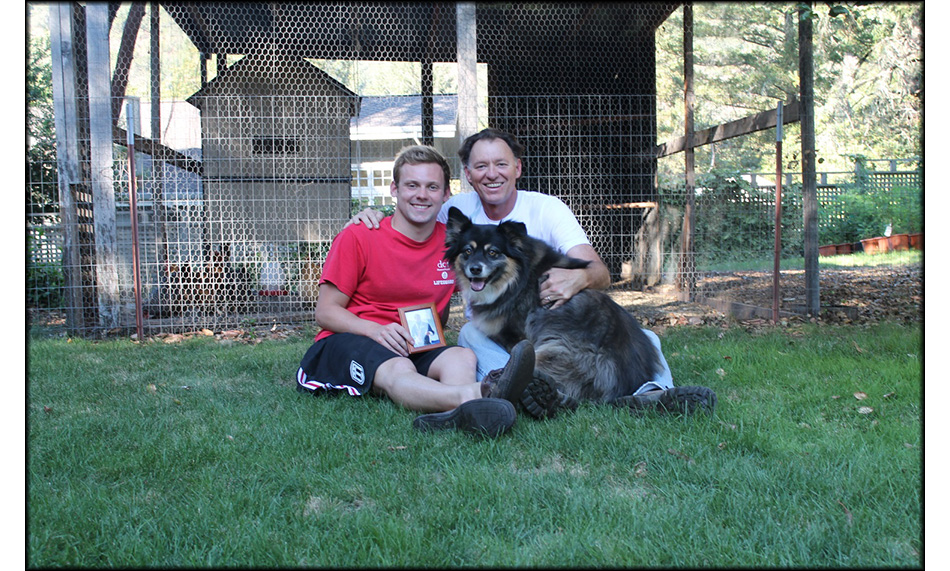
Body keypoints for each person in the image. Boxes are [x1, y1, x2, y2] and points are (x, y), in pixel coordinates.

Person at [349, 129, 715, 417]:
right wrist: (370, 216)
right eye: (481, 166)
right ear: (468, 175)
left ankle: (651, 395)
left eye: (501, 164)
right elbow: (414, 210)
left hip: (555, 323)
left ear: (517, 168)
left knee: (646, 336)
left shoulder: (547, 208)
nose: (492, 174)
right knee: (471, 338)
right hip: (498, 329)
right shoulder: (454, 209)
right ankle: (538, 390)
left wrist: (580, 277)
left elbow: (600, 271)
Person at [296, 145, 536, 437]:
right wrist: (376, 330)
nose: (422, 194)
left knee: (462, 357)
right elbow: (325, 312)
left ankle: (458, 416)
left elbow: (443, 313)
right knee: (398, 367)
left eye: (432, 186)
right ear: (394, 189)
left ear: (446, 194)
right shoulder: (359, 235)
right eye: (412, 185)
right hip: (350, 338)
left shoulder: (456, 246)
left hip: (414, 343)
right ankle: (476, 393)